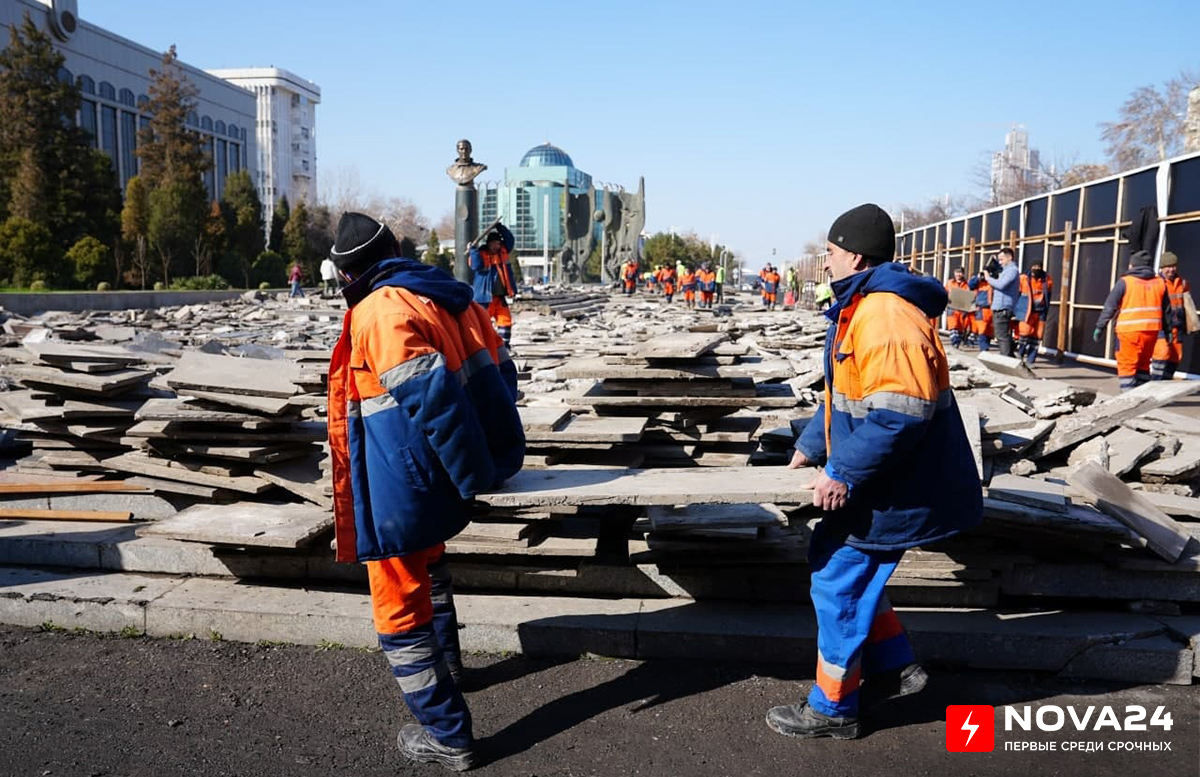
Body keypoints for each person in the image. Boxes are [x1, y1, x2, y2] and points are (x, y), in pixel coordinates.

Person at [768, 203, 981, 740]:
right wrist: (810, 446)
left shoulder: (884, 315)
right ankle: (893, 666)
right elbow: (846, 393)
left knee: (836, 580)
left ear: (855, 255)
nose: (827, 260)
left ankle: (833, 710)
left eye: (832, 251)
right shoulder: (860, 306)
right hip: (889, 479)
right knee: (849, 573)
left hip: (898, 484)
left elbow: (898, 415)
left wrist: (840, 471)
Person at [327, 212, 525, 770]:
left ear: (349, 273)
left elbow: (433, 403)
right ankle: (452, 671)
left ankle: (447, 733)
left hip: (402, 479)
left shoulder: (380, 312)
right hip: (432, 473)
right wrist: (490, 461)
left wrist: (471, 477)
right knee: (431, 567)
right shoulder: (449, 296)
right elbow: (502, 376)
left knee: (396, 602)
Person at [1095, 250, 1170, 391]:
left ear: (1132, 265)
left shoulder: (1125, 282)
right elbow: (1167, 311)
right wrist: (1168, 331)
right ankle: (1141, 397)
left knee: (1127, 365)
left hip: (1129, 333)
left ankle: (1128, 400)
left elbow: (1110, 306)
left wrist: (1100, 326)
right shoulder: (1160, 283)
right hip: (1151, 333)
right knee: (1143, 365)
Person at [469, 223, 517, 349]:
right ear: (488, 244)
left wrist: (500, 227)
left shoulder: (503, 252)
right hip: (484, 297)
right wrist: (473, 250)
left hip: (499, 297)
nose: (497, 246)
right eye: (494, 243)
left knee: (505, 321)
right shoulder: (481, 254)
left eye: (498, 243)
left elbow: (510, 239)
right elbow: (475, 266)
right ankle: (482, 347)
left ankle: (504, 346)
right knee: (483, 323)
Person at [1151, 251, 1190, 381]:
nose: (1171, 269)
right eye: (1168, 266)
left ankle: (1165, 386)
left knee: (1175, 358)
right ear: (1161, 268)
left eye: (1173, 266)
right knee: (1161, 356)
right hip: (1162, 327)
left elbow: (1187, 305)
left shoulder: (1182, 283)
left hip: (1177, 327)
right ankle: (1154, 386)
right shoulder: (1157, 283)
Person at [1015, 263, 1053, 366]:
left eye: (1038, 267)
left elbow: (1048, 295)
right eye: (1034, 266)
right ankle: (1019, 356)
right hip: (1026, 310)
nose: (1036, 269)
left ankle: (1031, 360)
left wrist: (1046, 309)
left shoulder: (1047, 279)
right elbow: (1016, 293)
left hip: (1040, 312)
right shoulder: (1023, 278)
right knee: (1024, 334)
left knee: (1037, 337)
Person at [984, 248, 1019, 356]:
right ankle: (1010, 355)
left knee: (1001, 335)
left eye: (1002, 259)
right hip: (999, 307)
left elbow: (1001, 285)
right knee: (1001, 334)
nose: (1000, 262)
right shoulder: (1005, 270)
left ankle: (1006, 357)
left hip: (1003, 308)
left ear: (1010, 258)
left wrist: (988, 278)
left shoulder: (1012, 270)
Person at [944, 267, 971, 348]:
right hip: (952, 307)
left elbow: (970, 295)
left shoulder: (967, 284)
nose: (958, 274)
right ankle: (954, 341)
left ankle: (958, 341)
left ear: (963, 273)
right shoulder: (950, 283)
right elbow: (945, 293)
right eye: (956, 272)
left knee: (960, 328)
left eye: (960, 272)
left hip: (962, 309)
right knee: (953, 326)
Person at [966, 271, 994, 351]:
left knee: (989, 331)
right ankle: (983, 349)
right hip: (981, 309)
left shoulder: (993, 282)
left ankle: (986, 348)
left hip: (992, 309)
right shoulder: (979, 283)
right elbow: (971, 285)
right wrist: (978, 277)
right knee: (982, 330)